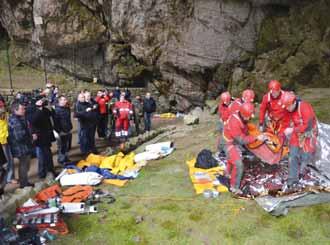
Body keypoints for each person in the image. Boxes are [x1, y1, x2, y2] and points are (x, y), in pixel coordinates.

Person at [223, 102, 267, 195]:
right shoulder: (234, 122)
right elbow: (241, 140)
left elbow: (244, 129)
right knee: (238, 164)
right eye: (248, 116)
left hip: (233, 140)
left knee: (233, 158)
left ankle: (227, 172)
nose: (249, 118)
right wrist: (256, 137)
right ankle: (234, 187)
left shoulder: (241, 116)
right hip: (228, 143)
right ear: (243, 114)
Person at [280, 91, 318, 189]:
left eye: (288, 106)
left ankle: (302, 170)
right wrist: (282, 135)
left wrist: (293, 129)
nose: (287, 109)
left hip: (308, 132)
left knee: (306, 155)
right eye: (285, 107)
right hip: (296, 132)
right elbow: (285, 123)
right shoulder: (287, 108)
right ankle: (292, 179)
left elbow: (308, 126)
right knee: (293, 155)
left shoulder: (304, 107)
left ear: (293, 103)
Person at [8, 102, 34, 188]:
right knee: (23, 166)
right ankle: (24, 184)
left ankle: (25, 182)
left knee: (25, 166)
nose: (24, 110)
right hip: (20, 148)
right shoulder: (15, 121)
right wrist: (31, 136)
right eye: (22, 109)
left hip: (23, 147)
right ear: (15, 110)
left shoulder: (19, 118)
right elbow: (19, 137)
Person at [31, 96, 56, 179]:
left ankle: (51, 170)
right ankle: (42, 174)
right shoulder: (32, 110)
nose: (41, 102)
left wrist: (49, 106)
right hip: (39, 138)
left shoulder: (45, 109)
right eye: (40, 100)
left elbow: (52, 114)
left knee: (48, 155)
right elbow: (33, 121)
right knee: (41, 157)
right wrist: (39, 109)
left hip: (46, 136)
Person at [259, 80, 290, 145]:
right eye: (272, 92)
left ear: (279, 90)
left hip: (284, 121)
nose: (274, 94)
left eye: (276, 92)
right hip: (272, 121)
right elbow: (262, 110)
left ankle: (283, 147)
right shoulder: (266, 98)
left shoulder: (286, 96)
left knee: (281, 137)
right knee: (268, 137)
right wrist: (261, 123)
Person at [54, 95, 73, 164]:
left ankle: (66, 158)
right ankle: (61, 160)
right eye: (64, 100)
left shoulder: (67, 108)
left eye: (66, 99)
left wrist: (70, 127)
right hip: (61, 131)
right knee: (61, 147)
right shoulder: (56, 110)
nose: (66, 101)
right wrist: (59, 131)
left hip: (68, 129)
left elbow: (68, 119)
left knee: (66, 146)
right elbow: (56, 123)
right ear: (60, 101)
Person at [0, 106, 17, 185]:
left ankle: (9, 177)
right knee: (9, 160)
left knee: (10, 160)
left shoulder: (6, 116)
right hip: (3, 143)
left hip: (9, 140)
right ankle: (9, 178)